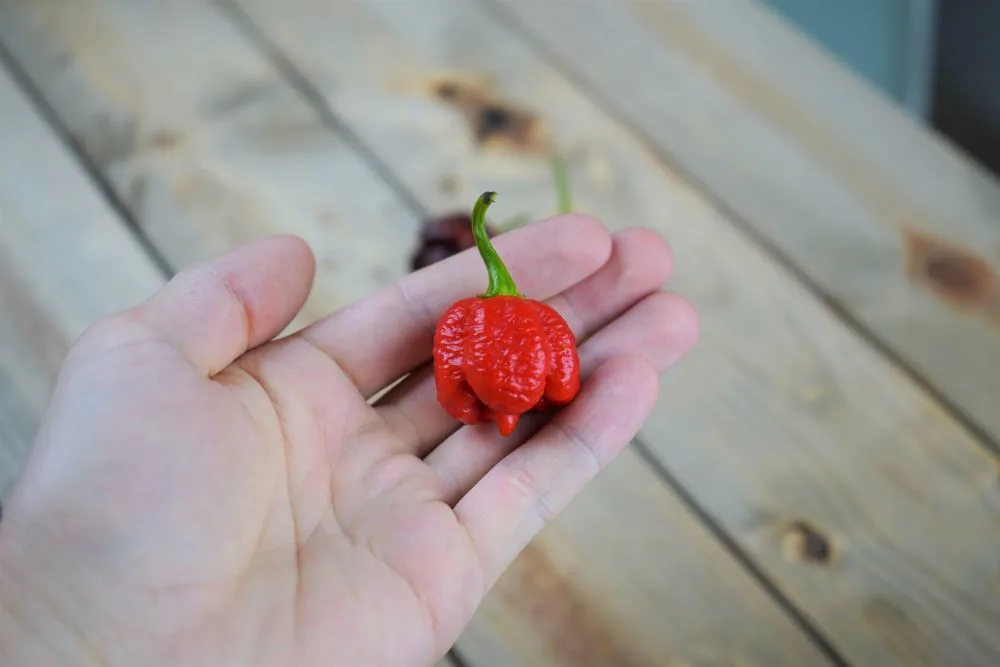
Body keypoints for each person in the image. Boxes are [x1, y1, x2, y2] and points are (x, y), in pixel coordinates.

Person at [0, 214, 698, 667]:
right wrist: (58, 619)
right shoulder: (474, 327)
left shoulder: (479, 328)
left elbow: (499, 386)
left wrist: (56, 630)